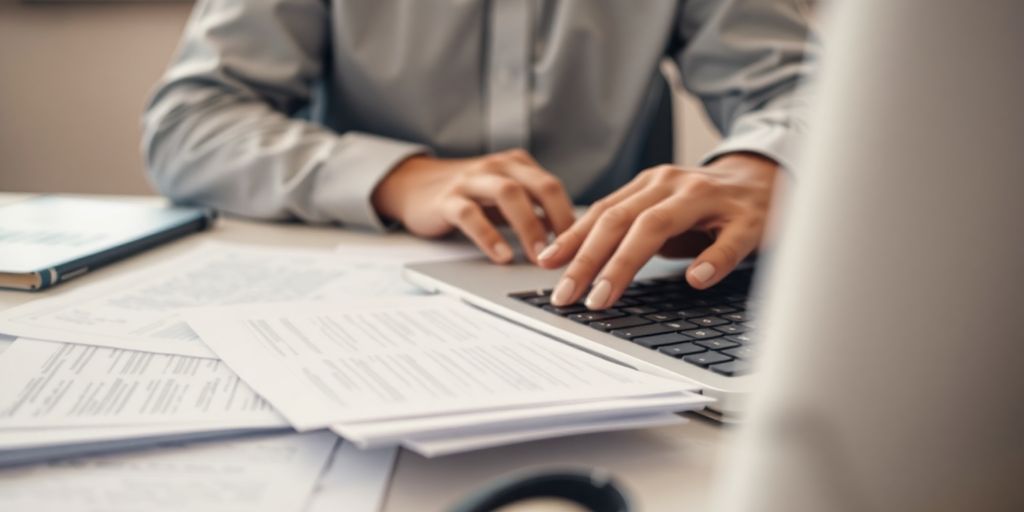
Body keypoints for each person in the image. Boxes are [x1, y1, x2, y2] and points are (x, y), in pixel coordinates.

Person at [143, 0, 816, 310]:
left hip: (617, 306)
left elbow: (810, 94)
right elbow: (189, 125)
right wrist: (399, 180)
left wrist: (762, 167)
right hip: (360, 301)